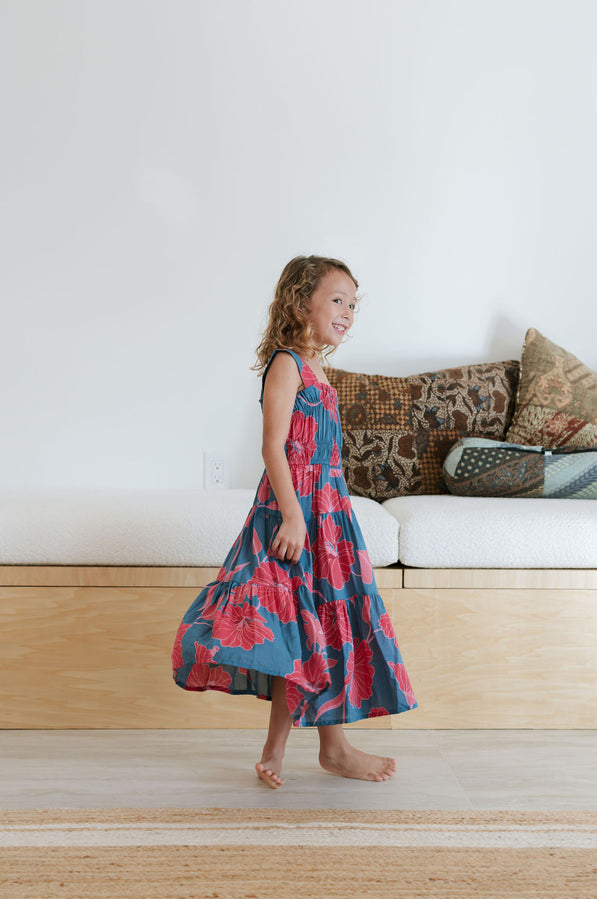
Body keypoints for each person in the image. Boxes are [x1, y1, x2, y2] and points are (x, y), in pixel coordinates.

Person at [171, 254, 417, 789]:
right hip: (295, 514)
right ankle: (311, 749)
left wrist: (320, 516)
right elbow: (273, 446)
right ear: (300, 301)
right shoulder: (287, 362)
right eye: (337, 299)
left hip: (327, 514)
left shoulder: (317, 367)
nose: (348, 311)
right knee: (288, 629)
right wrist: (292, 516)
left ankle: (320, 749)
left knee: (312, 630)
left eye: (354, 303)